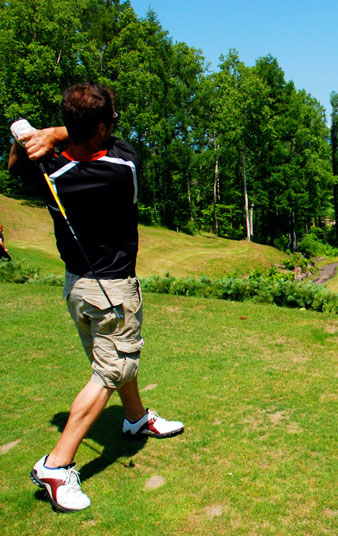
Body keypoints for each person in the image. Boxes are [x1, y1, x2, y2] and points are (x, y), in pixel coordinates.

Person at [9, 82, 183, 513]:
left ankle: (136, 418)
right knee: (113, 366)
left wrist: (33, 140)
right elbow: (110, 142)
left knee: (111, 356)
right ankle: (57, 464)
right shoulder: (122, 167)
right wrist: (53, 132)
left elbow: (17, 165)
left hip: (76, 286)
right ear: (102, 127)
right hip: (112, 289)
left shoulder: (50, 171)